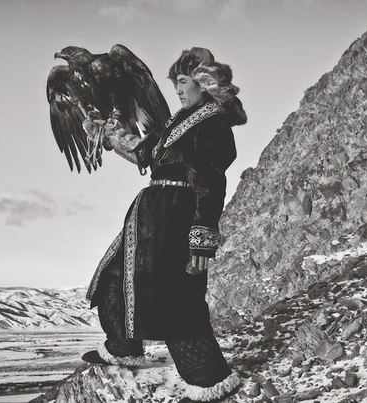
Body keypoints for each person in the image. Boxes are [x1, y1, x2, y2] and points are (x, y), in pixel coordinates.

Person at [82, 47, 247, 403]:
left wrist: (202, 236)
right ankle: (123, 347)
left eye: (183, 81)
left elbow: (211, 180)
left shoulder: (212, 123)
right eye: (176, 83)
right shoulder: (182, 121)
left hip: (176, 218)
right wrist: (110, 134)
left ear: (205, 81)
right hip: (151, 215)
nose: (178, 89)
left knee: (174, 297)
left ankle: (209, 378)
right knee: (114, 276)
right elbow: (149, 155)